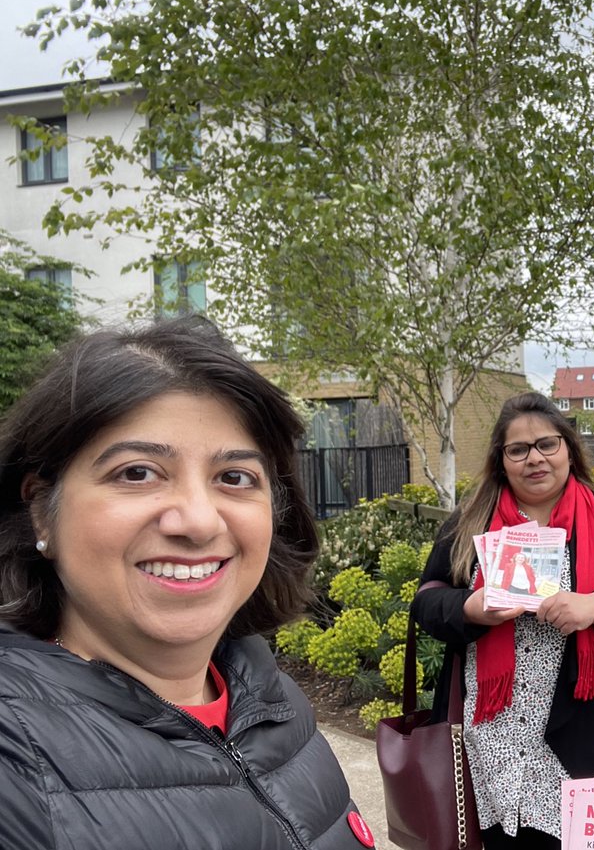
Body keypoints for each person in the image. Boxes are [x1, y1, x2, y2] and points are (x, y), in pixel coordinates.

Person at [0, 317, 373, 850]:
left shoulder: (271, 698)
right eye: (137, 473)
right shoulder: (14, 761)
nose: (199, 522)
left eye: (234, 478)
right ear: (41, 511)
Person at [411, 392, 594, 849]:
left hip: (585, 729)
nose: (535, 458)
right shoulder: (472, 521)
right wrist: (470, 609)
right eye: (518, 449)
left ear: (568, 447)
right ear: (501, 460)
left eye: (547, 444)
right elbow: (428, 599)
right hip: (494, 736)